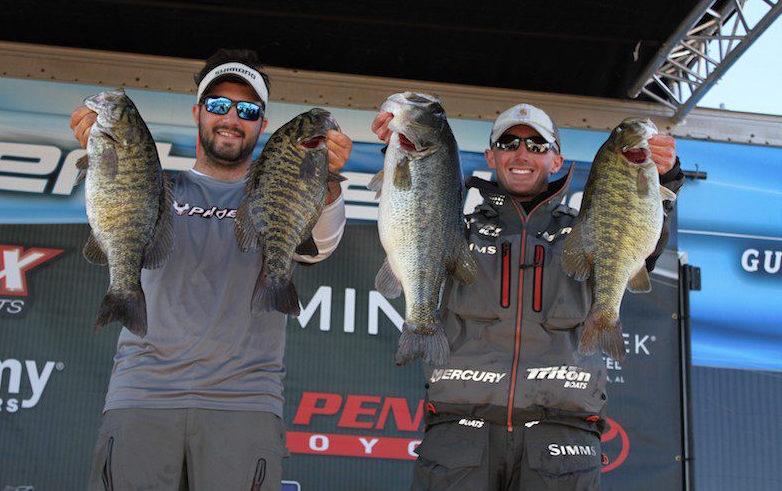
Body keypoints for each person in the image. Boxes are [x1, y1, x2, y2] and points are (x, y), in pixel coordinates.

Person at [70, 48, 353, 490]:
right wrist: (102, 147)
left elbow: (319, 248)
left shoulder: (281, 189)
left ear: (262, 122)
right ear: (198, 112)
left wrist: (325, 180)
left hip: (245, 402)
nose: (231, 118)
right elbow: (112, 209)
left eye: (247, 110)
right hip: (142, 394)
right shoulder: (155, 183)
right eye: (219, 104)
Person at [372, 103, 684, 490]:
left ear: (557, 160)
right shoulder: (454, 229)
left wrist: (665, 177)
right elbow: (414, 204)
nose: (521, 154)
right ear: (491, 156)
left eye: (537, 145)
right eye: (508, 143)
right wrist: (398, 149)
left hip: (564, 434)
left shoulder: (591, 229)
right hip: (459, 431)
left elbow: (642, 242)